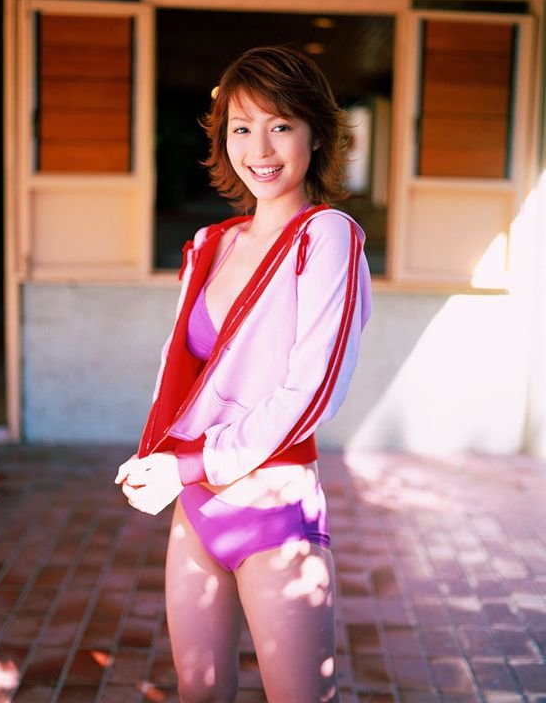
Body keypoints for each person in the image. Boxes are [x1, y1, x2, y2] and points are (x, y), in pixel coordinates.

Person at [115, 45, 371, 703]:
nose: (259, 148)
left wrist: (187, 465)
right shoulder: (213, 244)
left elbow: (311, 394)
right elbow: (182, 377)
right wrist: (156, 458)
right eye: (241, 127)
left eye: (280, 124)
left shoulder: (327, 236)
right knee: (198, 692)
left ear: (317, 134)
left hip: (274, 512)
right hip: (197, 508)